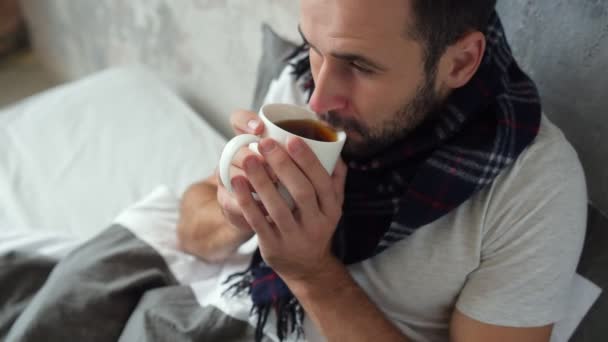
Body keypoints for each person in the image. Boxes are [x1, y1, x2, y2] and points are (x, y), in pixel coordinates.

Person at [178, 0, 587, 341]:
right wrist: (243, 214)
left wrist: (310, 272)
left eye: (359, 66)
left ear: (460, 62)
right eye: (313, 46)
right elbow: (190, 232)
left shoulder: (533, 188)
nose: (318, 100)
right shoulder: (305, 80)